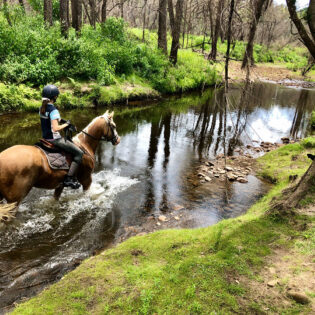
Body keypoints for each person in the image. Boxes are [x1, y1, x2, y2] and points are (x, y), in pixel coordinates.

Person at [39, 85, 83, 189]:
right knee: (79, 153)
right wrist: (66, 124)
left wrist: (60, 120)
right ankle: (69, 178)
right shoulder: (53, 110)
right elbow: (55, 128)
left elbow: (49, 120)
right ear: (54, 97)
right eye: (56, 96)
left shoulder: (41, 108)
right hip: (54, 139)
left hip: (45, 137)